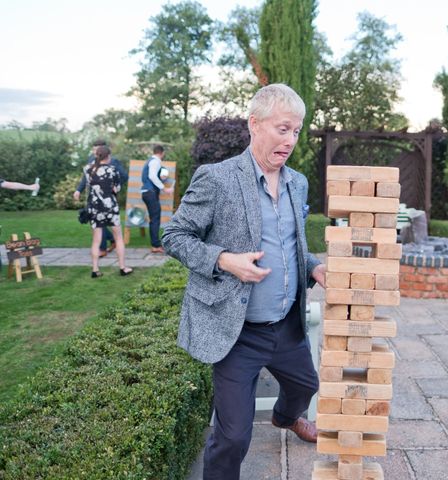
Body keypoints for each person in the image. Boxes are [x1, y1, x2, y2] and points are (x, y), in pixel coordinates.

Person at [163, 84, 327, 480]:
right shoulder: (216, 179)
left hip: (287, 327)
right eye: (283, 128)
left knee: (306, 386)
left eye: (296, 131)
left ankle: (286, 418)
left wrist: (314, 267)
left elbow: (292, 245)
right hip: (238, 333)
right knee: (233, 436)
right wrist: (224, 260)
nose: (290, 140)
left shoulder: (298, 182)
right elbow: (175, 236)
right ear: (255, 124)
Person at [83, 146, 133, 278]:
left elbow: (89, 186)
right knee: (118, 238)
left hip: (95, 208)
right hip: (110, 207)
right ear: (108, 156)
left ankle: (95, 270)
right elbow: (116, 189)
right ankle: (122, 268)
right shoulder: (112, 170)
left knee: (96, 240)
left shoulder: (88, 169)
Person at [74, 139, 128, 257]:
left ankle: (102, 249)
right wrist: (78, 190)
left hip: (108, 199)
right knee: (96, 222)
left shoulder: (113, 162)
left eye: (96, 150)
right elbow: (86, 178)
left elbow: (124, 176)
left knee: (100, 223)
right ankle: (112, 240)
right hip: (93, 198)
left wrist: (116, 187)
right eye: (93, 149)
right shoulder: (90, 161)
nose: (94, 152)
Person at [141, 145, 173, 254]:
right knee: (155, 219)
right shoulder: (156, 161)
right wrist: (164, 188)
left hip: (147, 193)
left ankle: (155, 244)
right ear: (162, 153)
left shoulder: (151, 161)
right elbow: (152, 176)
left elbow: (153, 176)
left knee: (153, 218)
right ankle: (155, 245)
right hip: (150, 193)